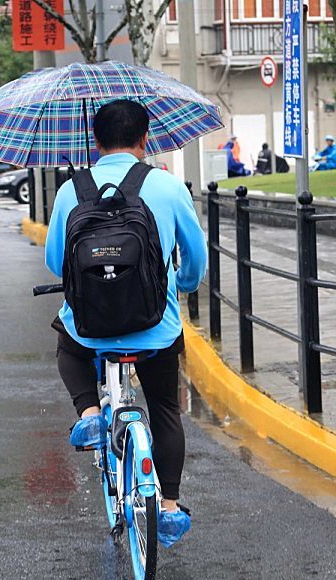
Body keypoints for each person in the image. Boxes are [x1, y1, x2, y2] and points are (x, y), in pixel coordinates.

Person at [45, 99, 208, 547]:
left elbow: (53, 260)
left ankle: (92, 414)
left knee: (67, 343)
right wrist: (184, 285)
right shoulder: (168, 187)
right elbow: (196, 260)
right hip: (156, 327)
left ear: (95, 143)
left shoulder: (69, 191)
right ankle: (170, 508)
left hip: (90, 328)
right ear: (145, 138)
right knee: (165, 409)